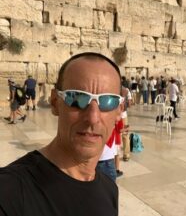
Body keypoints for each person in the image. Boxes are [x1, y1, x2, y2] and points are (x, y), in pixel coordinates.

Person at [0, 52, 122, 215]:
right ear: (55, 102)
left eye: (108, 101)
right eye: (77, 98)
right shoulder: (10, 193)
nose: (93, 118)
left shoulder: (109, 188)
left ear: (119, 111)